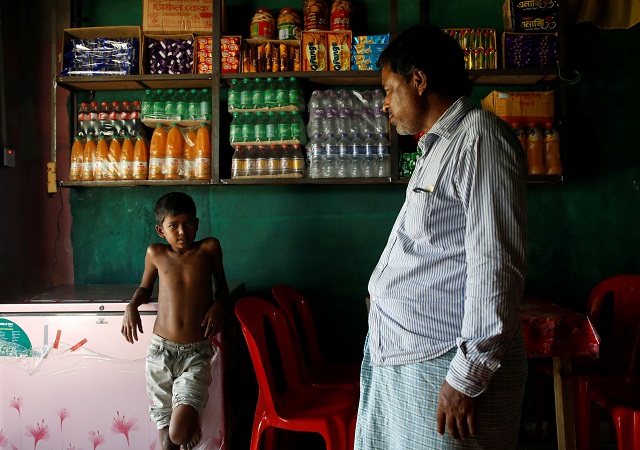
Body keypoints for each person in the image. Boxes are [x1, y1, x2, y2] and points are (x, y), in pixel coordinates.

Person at [355, 24, 529, 449]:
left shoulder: (479, 138)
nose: (384, 105)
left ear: (419, 80)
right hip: (413, 356)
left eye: (389, 89)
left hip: (444, 363)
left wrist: (467, 378)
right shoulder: (439, 147)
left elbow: (496, 263)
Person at [121, 192, 229, 450]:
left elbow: (222, 287)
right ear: (161, 230)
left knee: (178, 434)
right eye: (173, 226)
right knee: (166, 438)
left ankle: (184, 427)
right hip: (160, 352)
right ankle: (178, 430)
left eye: (188, 223)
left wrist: (218, 305)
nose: (182, 231)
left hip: (196, 353)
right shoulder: (155, 253)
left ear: (197, 223)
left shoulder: (209, 248)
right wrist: (132, 305)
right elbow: (144, 288)